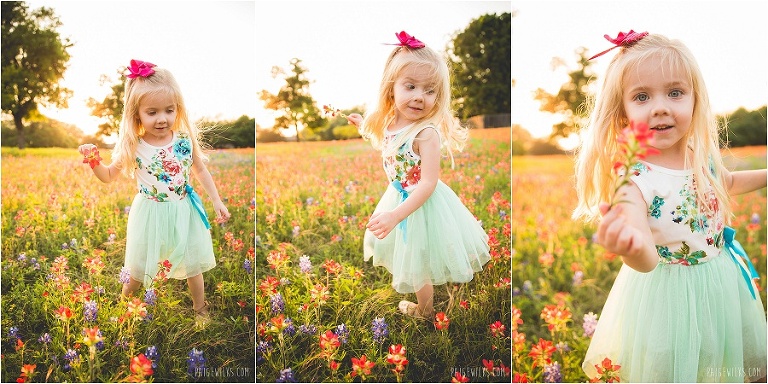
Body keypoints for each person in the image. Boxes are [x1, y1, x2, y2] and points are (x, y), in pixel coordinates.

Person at [573, 31, 767, 382]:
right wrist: (631, 249)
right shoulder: (634, 179)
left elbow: (728, 182)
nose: (660, 106)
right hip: (669, 300)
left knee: (719, 360)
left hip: (720, 281)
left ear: (695, 99)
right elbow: (646, 258)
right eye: (642, 96)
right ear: (622, 111)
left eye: (675, 92)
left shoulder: (700, 155)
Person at [346, 32, 491, 319]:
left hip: (421, 203)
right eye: (410, 86)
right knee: (412, 253)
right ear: (391, 88)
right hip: (399, 198)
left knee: (419, 257)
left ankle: (425, 310)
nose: (419, 97)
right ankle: (424, 304)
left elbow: (428, 183)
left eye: (429, 90)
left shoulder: (426, 133)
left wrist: (396, 215)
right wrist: (362, 124)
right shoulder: (390, 122)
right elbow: (386, 144)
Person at [78, 59, 230, 321]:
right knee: (138, 267)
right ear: (136, 113)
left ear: (178, 108)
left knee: (192, 264)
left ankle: (200, 309)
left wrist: (216, 200)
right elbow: (108, 176)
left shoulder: (184, 140)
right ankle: (124, 308)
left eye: (169, 110)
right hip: (149, 213)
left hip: (183, 210)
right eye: (152, 112)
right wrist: (93, 160)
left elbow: (200, 170)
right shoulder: (134, 144)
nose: (162, 119)